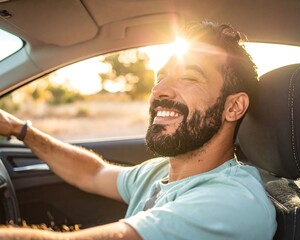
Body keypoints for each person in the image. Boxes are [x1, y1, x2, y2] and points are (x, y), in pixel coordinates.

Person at [0, 20, 276, 239]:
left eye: (189, 77)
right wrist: (20, 129)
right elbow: (93, 173)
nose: (159, 90)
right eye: (161, 77)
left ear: (234, 107)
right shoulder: (160, 171)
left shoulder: (233, 201)